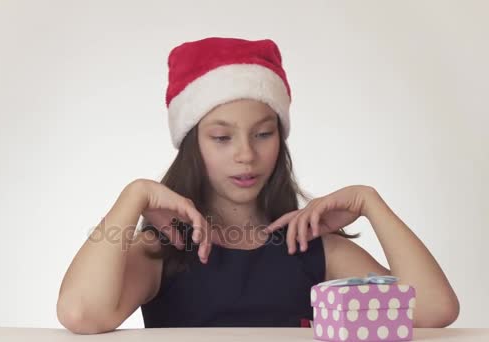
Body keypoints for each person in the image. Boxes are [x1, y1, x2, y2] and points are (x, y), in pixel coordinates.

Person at [56, 37, 460, 334]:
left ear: (279, 140)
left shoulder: (314, 249)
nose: (246, 155)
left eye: (263, 134)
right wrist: (134, 196)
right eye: (222, 137)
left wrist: (371, 203)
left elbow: (432, 311)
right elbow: (81, 314)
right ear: (193, 146)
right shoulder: (163, 252)